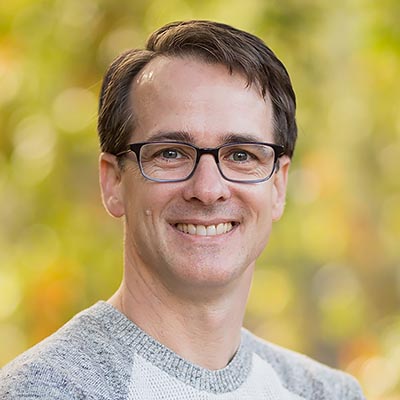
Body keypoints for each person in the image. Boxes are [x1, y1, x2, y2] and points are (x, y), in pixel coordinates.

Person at [0, 20, 365, 399]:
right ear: (113, 182)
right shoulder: (45, 390)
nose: (208, 189)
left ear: (278, 184)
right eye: (171, 153)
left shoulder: (326, 393)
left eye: (241, 155)